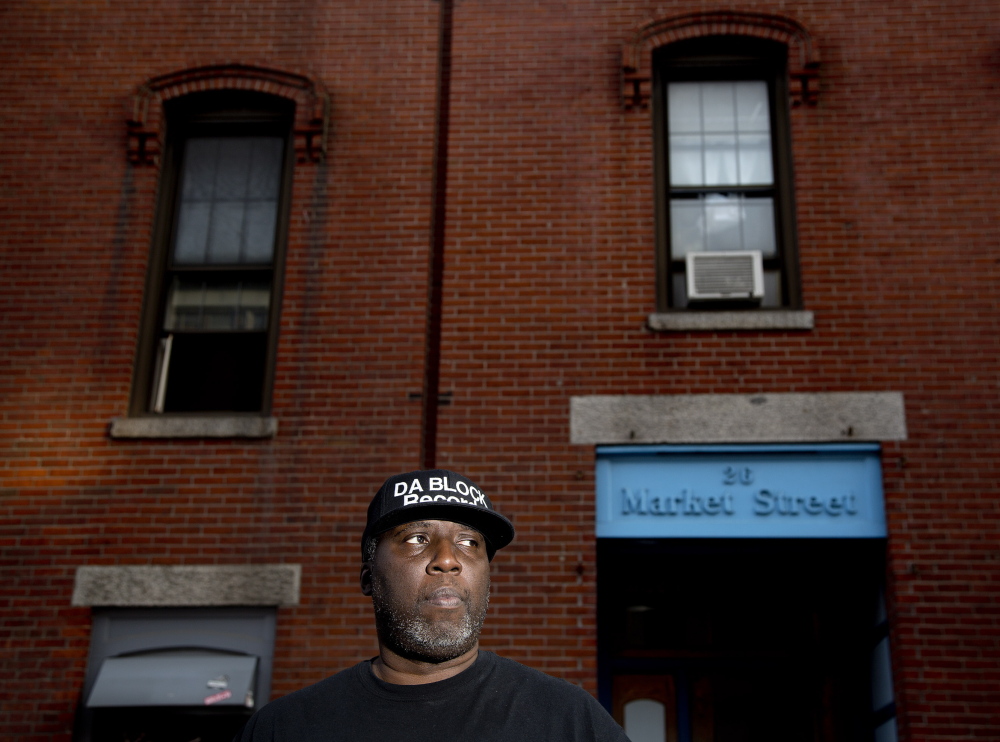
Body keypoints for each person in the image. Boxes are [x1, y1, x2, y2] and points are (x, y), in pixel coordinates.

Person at [235, 468, 631, 741]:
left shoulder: (568, 720)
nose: (447, 558)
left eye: (469, 542)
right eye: (416, 539)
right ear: (369, 579)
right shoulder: (284, 729)